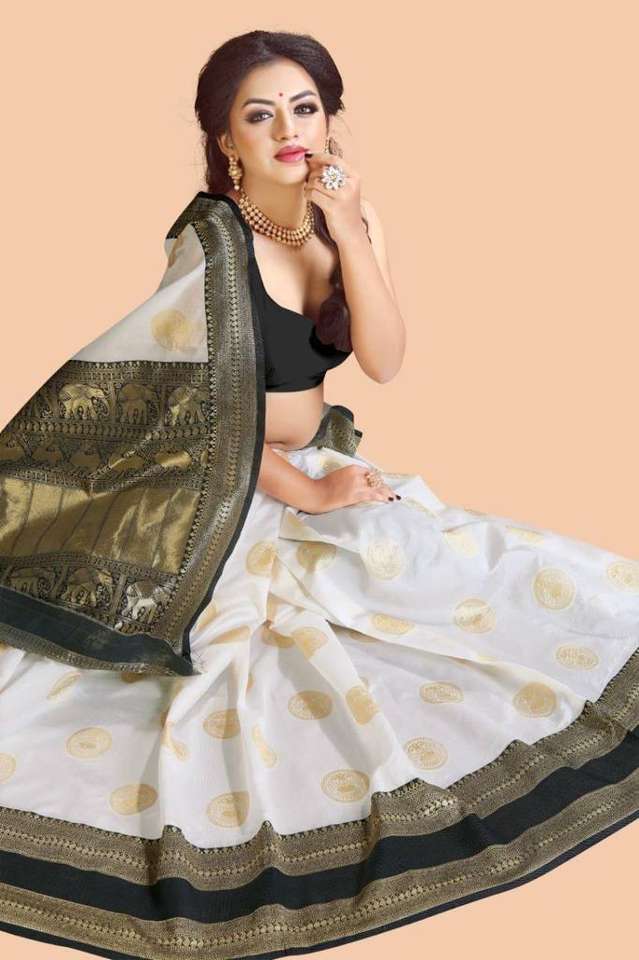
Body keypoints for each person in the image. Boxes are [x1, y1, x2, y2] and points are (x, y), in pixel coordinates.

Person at [0, 28, 638, 960]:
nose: (287, 131)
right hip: (228, 482)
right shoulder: (209, 246)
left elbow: (383, 360)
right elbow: (200, 416)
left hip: (318, 464)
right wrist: (306, 491)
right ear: (226, 140)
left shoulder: (347, 220)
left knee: (476, 581)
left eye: (304, 109)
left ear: (331, 120)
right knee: (242, 667)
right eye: (259, 116)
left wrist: (349, 233)